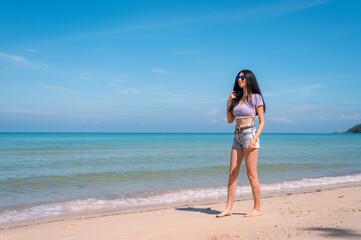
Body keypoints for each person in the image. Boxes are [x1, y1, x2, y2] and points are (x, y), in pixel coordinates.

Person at [216, 69, 266, 218]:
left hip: (249, 134)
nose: (239, 80)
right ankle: (229, 208)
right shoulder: (236, 98)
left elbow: (262, 122)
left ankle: (257, 208)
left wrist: (255, 138)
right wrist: (228, 103)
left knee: (251, 174)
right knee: (232, 174)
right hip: (237, 135)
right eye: (238, 77)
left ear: (248, 79)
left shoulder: (256, 97)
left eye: (242, 77)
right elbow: (230, 120)